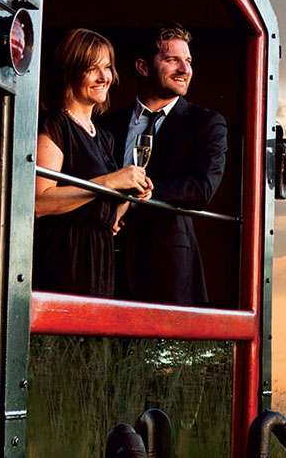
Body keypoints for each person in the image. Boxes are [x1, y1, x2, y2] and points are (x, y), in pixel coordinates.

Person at [106, 24, 226, 306]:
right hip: (105, 256)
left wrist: (136, 198)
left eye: (188, 61)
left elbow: (201, 188)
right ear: (143, 67)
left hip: (166, 266)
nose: (185, 69)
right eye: (173, 60)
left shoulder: (207, 123)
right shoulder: (107, 125)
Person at [33, 28, 152, 297]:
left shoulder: (104, 136)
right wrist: (110, 182)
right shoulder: (55, 124)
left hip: (99, 259)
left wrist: (128, 196)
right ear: (70, 72)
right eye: (92, 68)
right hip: (65, 260)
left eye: (108, 67)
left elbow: (103, 212)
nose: (104, 77)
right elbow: (39, 202)